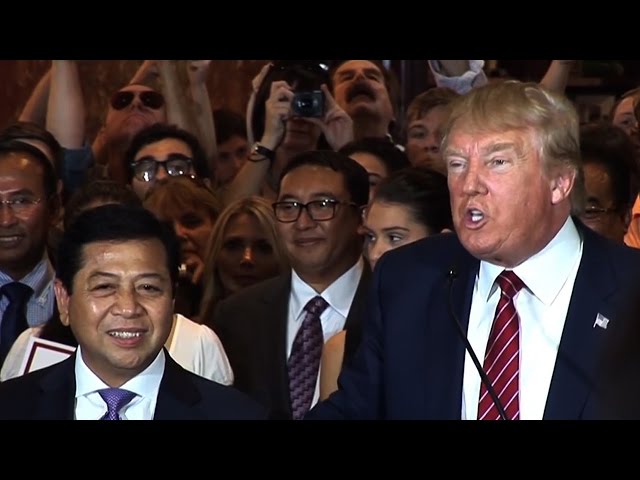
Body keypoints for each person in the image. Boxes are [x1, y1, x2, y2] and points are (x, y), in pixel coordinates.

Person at [307, 80, 640, 420]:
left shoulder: (631, 289)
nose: (469, 185)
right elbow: (354, 410)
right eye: (457, 164)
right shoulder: (407, 280)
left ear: (560, 182)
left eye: (497, 162)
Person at [0, 205, 266, 420]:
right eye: (105, 287)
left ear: (172, 298)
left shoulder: (237, 414)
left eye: (148, 287)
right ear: (63, 299)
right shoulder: (11, 407)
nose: (128, 308)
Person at [207, 151, 370, 419]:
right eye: (289, 207)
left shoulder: (392, 308)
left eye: (322, 205)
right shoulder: (237, 315)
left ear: (361, 217)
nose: (303, 223)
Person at [320, 166, 452, 400]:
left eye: (394, 237)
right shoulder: (342, 348)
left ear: (442, 242)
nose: (375, 253)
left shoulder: (481, 334)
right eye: (371, 237)